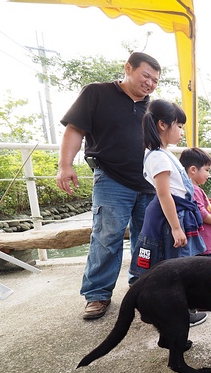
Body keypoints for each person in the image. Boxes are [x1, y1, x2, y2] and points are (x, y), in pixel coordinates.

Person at [56, 52, 160, 320]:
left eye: (155, 80)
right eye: (145, 75)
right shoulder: (96, 93)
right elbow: (74, 130)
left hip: (149, 182)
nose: (150, 83)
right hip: (112, 178)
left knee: (147, 239)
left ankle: (143, 286)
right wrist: (65, 166)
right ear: (128, 68)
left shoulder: (153, 107)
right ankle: (98, 294)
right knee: (106, 237)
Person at [129, 100, 207, 327]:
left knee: (181, 261)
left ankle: (184, 308)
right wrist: (175, 227)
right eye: (179, 125)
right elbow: (165, 195)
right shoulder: (157, 157)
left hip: (178, 212)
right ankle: (178, 312)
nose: (182, 131)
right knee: (175, 264)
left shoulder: (163, 153)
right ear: (163, 125)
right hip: (170, 216)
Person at [179, 147, 211, 256]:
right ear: (193, 170)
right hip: (205, 244)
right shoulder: (193, 190)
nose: (208, 175)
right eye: (207, 170)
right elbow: (202, 214)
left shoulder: (192, 188)